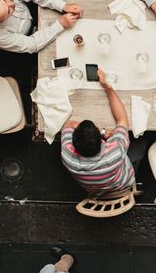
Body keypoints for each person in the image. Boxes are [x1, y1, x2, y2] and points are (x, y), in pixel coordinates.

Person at [61, 69, 146, 197]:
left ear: (74, 145)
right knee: (143, 138)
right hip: (123, 185)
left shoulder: (68, 157)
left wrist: (99, 132)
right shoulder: (116, 150)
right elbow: (122, 119)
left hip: (95, 192)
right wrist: (108, 87)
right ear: (102, 141)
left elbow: (69, 124)